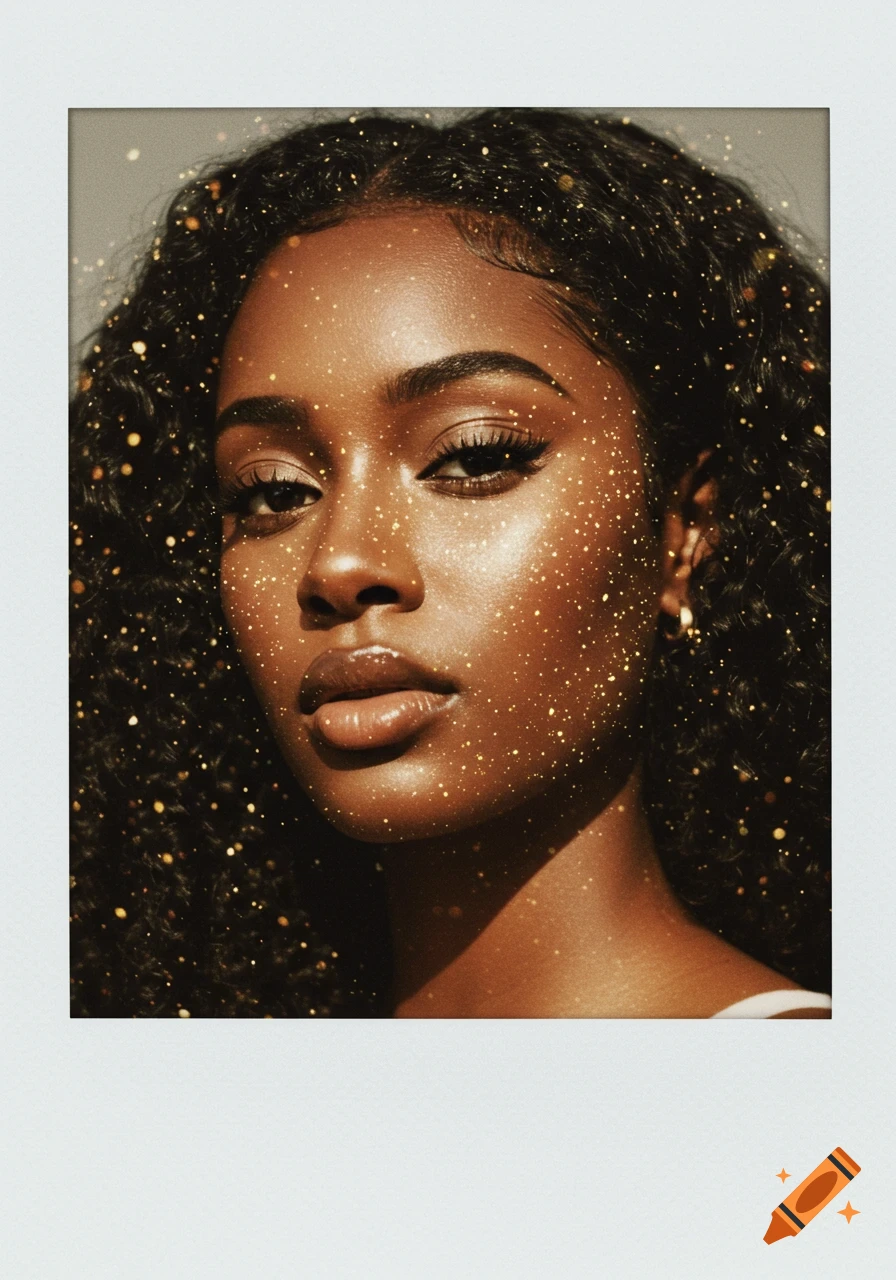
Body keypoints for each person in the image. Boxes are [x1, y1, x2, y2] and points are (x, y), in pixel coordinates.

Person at [70, 109, 830, 1018]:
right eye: (272, 492)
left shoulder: (811, 1130)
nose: (341, 563)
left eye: (474, 456)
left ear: (685, 529)